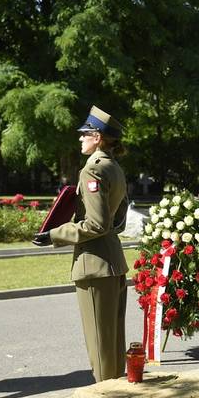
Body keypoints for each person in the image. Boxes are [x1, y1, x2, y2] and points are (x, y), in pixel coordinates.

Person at [32, 105, 128, 382]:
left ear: (97, 136)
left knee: (100, 345)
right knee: (112, 342)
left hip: (94, 264)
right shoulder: (114, 167)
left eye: (84, 133)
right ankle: (116, 397)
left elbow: (96, 224)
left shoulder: (93, 170)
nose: (80, 138)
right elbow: (118, 219)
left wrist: (53, 235)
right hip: (112, 261)